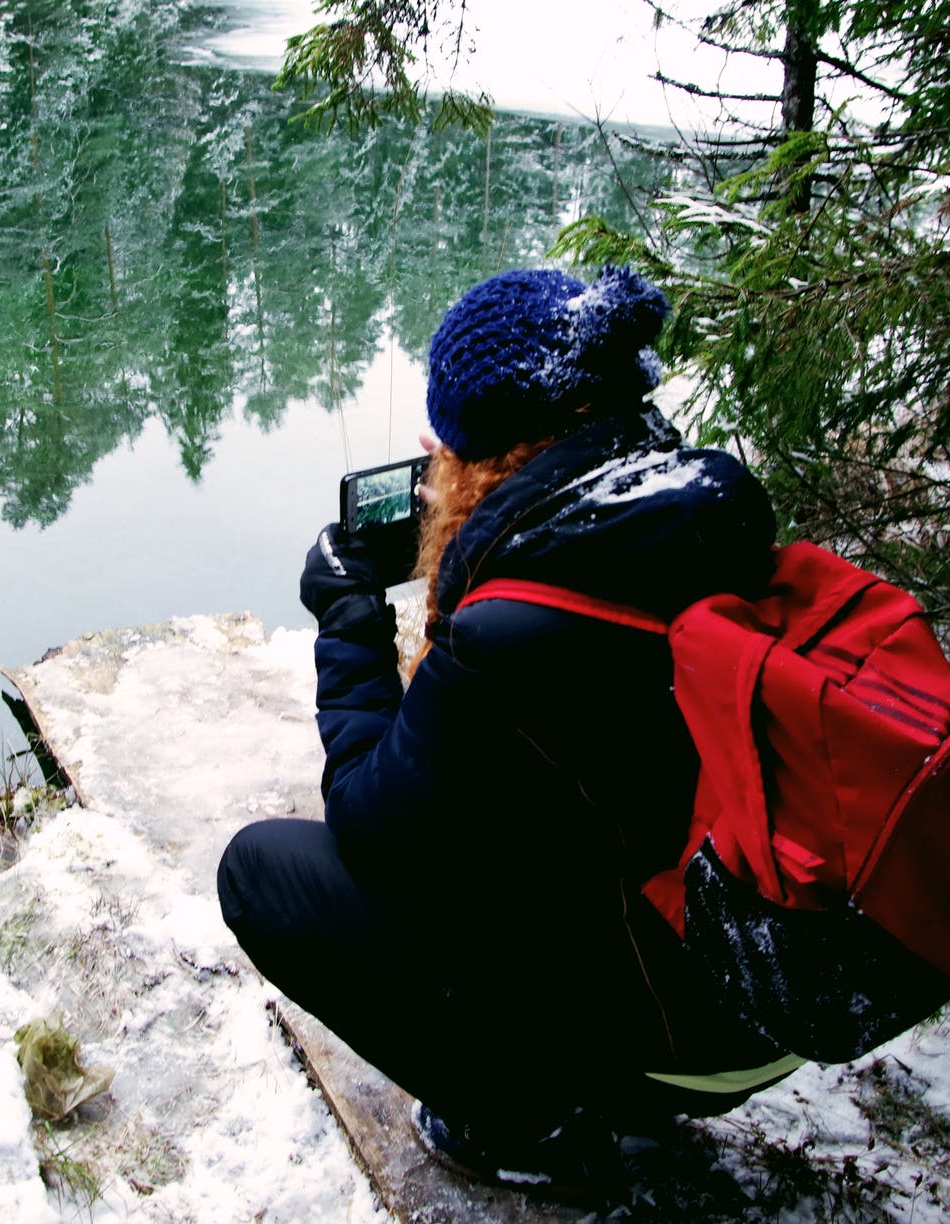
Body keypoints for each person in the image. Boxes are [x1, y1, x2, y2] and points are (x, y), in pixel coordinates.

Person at [216, 266, 798, 1196]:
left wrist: (350, 622)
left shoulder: (516, 634)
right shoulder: (702, 517)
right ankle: (619, 1087)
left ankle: (527, 1123)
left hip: (683, 1032)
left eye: (450, 443)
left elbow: (373, 826)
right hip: (772, 1002)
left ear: (483, 455)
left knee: (263, 871)